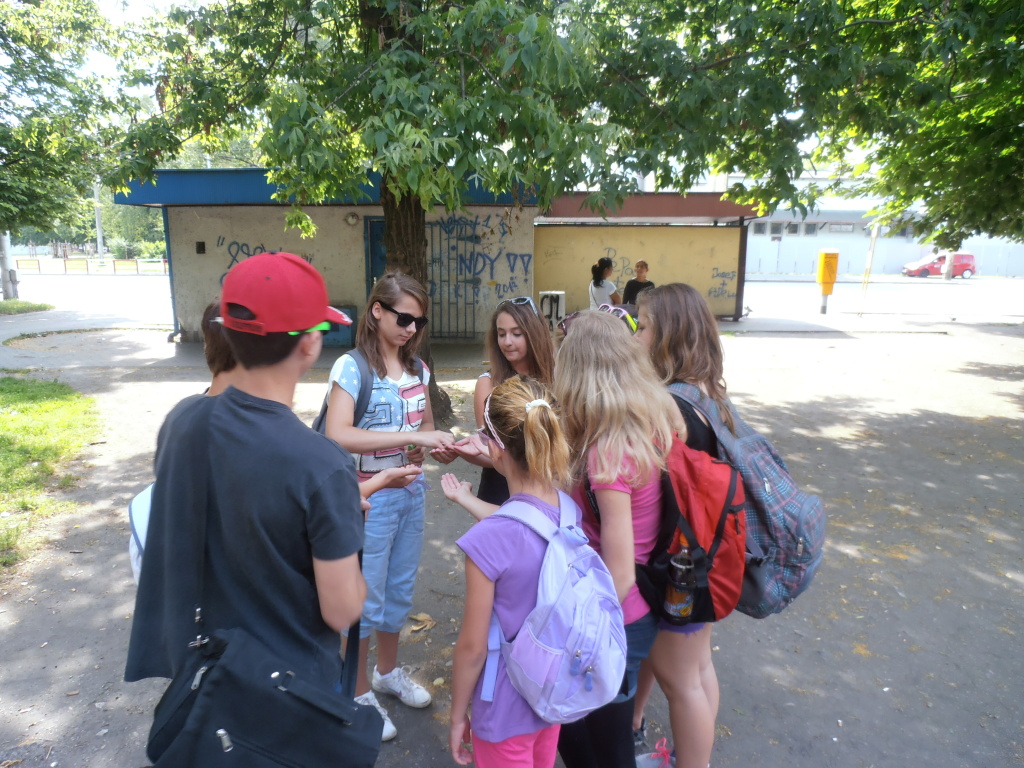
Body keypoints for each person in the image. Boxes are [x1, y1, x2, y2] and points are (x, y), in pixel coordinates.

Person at [125, 253, 368, 713]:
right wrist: (342, 529)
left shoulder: (181, 421)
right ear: (310, 344)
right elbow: (342, 610)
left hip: (205, 689)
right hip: (285, 701)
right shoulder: (323, 464)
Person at [322, 271, 455, 741]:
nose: (411, 329)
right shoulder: (351, 367)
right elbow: (337, 434)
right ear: (377, 311)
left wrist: (430, 446)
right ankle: (356, 691)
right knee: (364, 597)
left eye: (419, 321)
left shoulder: (419, 369)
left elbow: (426, 427)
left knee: (398, 590)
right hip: (367, 500)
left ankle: (386, 673)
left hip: (410, 495)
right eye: (403, 318)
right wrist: (408, 437)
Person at [552, 310, 681, 768]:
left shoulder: (608, 452)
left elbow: (621, 575)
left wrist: (581, 633)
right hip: (630, 610)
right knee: (589, 732)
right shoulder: (648, 418)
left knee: (600, 742)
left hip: (616, 618)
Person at [440, 375, 572, 768]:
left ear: (495, 450)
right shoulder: (567, 508)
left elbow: (473, 647)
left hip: (502, 706)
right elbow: (524, 523)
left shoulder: (487, 542)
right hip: (549, 692)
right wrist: (466, 498)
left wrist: (456, 715)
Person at [631, 283, 732, 768]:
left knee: (680, 681)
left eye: (643, 326)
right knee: (697, 669)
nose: (636, 336)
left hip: (679, 562)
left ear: (667, 334)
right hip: (706, 555)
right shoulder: (707, 393)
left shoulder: (668, 405)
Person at [432, 296, 555, 506]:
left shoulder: (557, 378)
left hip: (550, 487)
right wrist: (462, 451)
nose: (507, 342)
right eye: (501, 334)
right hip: (500, 492)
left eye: (517, 334)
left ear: (535, 333)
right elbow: (490, 452)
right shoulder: (487, 383)